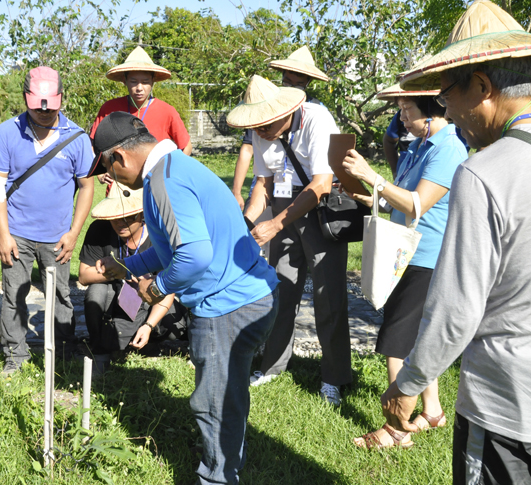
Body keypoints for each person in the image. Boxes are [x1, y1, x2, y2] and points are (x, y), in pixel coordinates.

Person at [380, 1, 531, 482]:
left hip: (506, 405)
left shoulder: (484, 172)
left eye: (445, 98)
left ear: (483, 87)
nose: (448, 113)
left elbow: (456, 308)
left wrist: (410, 383)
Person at [90, 111, 279, 485]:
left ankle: (217, 476)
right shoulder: (177, 167)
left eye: (108, 171)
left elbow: (194, 256)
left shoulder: (166, 182)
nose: (112, 179)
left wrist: (156, 288)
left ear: (120, 157)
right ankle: (224, 456)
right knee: (228, 393)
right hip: (252, 295)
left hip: (227, 307)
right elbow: (171, 247)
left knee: (212, 402)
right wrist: (127, 267)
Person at [340, 88, 467, 449]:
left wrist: (371, 175)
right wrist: (371, 195)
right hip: (406, 253)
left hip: (425, 256)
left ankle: (396, 429)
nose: (401, 119)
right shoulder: (417, 146)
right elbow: (400, 194)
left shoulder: (449, 148)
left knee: (397, 341)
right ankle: (433, 411)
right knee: (417, 337)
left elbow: (417, 204)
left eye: (407, 110)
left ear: (431, 112)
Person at [227, 75, 349, 403]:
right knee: (280, 289)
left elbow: (321, 184)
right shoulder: (261, 127)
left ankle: (334, 377)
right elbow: (264, 184)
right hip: (284, 208)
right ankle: (272, 366)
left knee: (328, 295)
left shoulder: (317, 120)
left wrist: (276, 224)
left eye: (266, 126)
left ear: (285, 112)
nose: (261, 133)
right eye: (256, 128)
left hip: (319, 209)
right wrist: (246, 222)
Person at [0, 66, 94, 373]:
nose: (44, 115)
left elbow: (87, 186)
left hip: (58, 236)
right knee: (13, 296)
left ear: (61, 99)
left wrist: (74, 232)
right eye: (36, 109)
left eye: (50, 109)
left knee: (61, 296)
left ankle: (62, 352)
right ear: (25, 99)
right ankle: (15, 357)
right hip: (16, 233)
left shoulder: (76, 137)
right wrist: (3, 235)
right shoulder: (7, 132)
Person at [78, 181, 188, 359]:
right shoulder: (99, 230)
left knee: (170, 318)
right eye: (115, 217)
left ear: (142, 215)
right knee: (95, 292)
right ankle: (98, 345)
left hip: (153, 296)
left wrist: (149, 324)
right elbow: (84, 275)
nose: (120, 223)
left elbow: (170, 287)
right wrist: (122, 272)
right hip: (115, 294)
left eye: (128, 218)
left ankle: (149, 338)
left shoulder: (158, 235)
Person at [232, 46, 328, 210]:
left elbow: (322, 174)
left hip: (304, 190)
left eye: (299, 85)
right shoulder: (262, 110)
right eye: (287, 82)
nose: (291, 88)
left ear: (308, 82)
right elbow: (248, 151)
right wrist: (236, 191)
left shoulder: (317, 113)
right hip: (268, 186)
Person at [90, 46, 191, 186]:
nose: (139, 87)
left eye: (145, 82)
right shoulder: (109, 109)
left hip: (156, 185)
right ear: (124, 81)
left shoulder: (167, 111)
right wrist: (100, 173)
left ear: (153, 82)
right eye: (133, 81)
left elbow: (186, 146)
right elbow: (93, 144)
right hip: (119, 188)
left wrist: (169, 173)